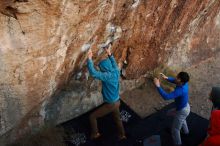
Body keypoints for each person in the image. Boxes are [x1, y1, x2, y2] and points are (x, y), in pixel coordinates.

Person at [87, 45, 126, 140]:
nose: (101, 70)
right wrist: (109, 53)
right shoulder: (116, 70)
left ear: (104, 69)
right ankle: (122, 135)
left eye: (101, 69)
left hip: (111, 104)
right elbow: (113, 62)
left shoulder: (107, 76)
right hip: (117, 101)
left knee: (92, 117)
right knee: (117, 118)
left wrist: (89, 59)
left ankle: (95, 133)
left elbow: (93, 73)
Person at [153, 72, 190, 146]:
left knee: (175, 130)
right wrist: (167, 78)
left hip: (182, 110)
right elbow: (174, 80)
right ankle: (186, 132)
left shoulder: (180, 90)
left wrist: (158, 86)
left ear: (181, 81)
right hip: (185, 107)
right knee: (180, 118)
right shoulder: (184, 83)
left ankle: (178, 144)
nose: (176, 78)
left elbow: (166, 97)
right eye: (177, 76)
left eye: (178, 78)